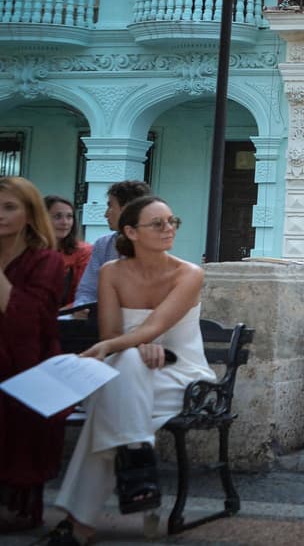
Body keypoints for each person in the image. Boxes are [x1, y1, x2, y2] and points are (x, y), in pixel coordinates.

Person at [50, 195, 214, 546]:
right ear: (130, 232)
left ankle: (79, 523)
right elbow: (111, 332)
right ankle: (137, 461)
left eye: (172, 221)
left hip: (179, 373)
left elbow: (153, 327)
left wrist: (120, 346)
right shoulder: (111, 272)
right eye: (157, 223)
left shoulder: (190, 273)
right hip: (127, 369)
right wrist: (129, 347)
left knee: (108, 405)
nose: (168, 228)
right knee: (126, 367)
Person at [0, 177, 65, 533]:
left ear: (29, 214)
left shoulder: (46, 261)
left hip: (31, 363)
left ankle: (18, 505)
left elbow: (25, 317)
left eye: (9, 207)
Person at [74, 179, 151, 308]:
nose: (105, 214)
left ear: (127, 209)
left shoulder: (152, 245)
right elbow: (87, 291)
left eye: (110, 206)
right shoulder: (103, 245)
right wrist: (82, 307)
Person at [45, 195, 91, 308]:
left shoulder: (83, 251)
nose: (65, 222)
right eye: (57, 217)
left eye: (69, 217)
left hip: (67, 317)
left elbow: (84, 295)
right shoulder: (26, 250)